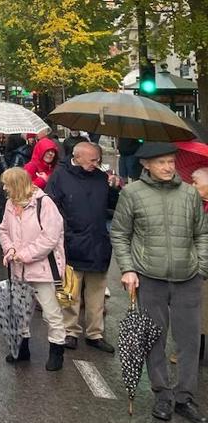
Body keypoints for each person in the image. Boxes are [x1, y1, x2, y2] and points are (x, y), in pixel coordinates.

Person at [110, 141, 208, 423]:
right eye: (161, 162)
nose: (168, 167)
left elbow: (201, 233)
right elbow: (120, 234)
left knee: (189, 343)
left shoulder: (189, 193)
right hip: (149, 279)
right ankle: (163, 396)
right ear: (145, 164)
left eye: (170, 161)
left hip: (188, 278)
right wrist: (127, 269)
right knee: (155, 340)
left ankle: (185, 397)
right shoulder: (131, 193)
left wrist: (201, 267)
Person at [45, 141, 117, 354]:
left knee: (97, 292)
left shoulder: (101, 177)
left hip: (98, 241)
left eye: (98, 159)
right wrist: (65, 233)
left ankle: (95, 333)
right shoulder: (60, 176)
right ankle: (71, 331)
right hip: (72, 241)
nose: (97, 163)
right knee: (72, 291)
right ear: (78, 156)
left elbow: (112, 206)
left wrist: (114, 188)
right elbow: (51, 207)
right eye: (93, 159)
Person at [0, 166, 67, 370]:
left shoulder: (44, 204)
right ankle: (22, 349)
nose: (4, 189)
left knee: (50, 312)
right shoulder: (11, 204)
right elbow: (3, 230)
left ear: (17, 185)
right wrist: (9, 249)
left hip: (44, 269)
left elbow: (50, 238)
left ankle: (57, 351)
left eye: (7, 185)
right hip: (18, 268)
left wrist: (24, 254)